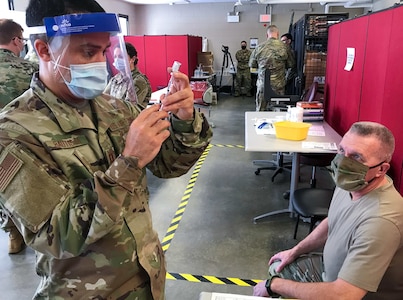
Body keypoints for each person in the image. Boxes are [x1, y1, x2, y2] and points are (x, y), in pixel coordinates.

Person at [0, 0, 212, 299]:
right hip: (85, 291)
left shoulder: (115, 108)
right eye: (88, 52)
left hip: (146, 276)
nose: (101, 63)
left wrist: (184, 120)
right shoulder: (14, 133)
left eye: (103, 51)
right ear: (44, 50)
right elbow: (58, 235)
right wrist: (129, 162)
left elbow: (169, 166)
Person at [253, 121, 403, 300]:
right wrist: (295, 251)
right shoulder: (351, 183)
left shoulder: (381, 221)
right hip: (331, 273)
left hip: (349, 293)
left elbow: (345, 295)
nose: (343, 163)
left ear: (381, 169)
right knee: (277, 266)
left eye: (356, 157)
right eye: (341, 151)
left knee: (275, 285)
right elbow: (332, 220)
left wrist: (274, 285)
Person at [0, 18, 39, 254]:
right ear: (15, 40)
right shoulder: (28, 69)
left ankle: (13, 235)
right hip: (23, 140)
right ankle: (33, 233)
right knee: (29, 186)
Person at [249, 25, 293, 111]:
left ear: (267, 35)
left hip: (263, 85)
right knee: (278, 112)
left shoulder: (259, 47)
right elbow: (290, 64)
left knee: (260, 111)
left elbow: (252, 64)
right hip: (278, 86)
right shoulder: (285, 47)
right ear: (278, 34)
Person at [104, 42, 152, 107]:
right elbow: (103, 100)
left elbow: (128, 109)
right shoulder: (115, 79)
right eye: (115, 57)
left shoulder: (138, 81)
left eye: (121, 56)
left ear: (133, 59)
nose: (117, 60)